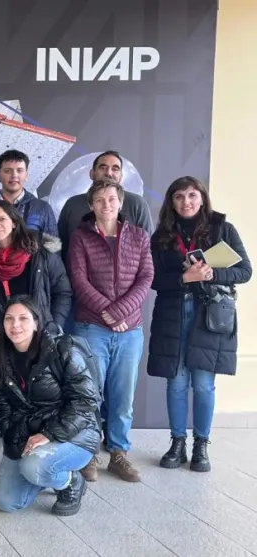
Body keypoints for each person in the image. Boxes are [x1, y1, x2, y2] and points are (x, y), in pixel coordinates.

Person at [149, 177, 251, 473]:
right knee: (177, 382)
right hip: (173, 313)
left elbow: (245, 271)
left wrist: (210, 275)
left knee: (204, 384)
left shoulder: (223, 229)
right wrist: (184, 278)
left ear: (203, 198)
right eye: (179, 197)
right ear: (171, 202)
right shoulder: (161, 237)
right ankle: (177, 442)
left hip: (210, 315)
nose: (186, 202)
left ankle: (201, 444)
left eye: (192, 195)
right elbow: (154, 280)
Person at [0, 200, 72, 446]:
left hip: (37, 331)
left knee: (37, 381)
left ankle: (41, 430)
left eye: (2, 219)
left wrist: (52, 324)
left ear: (14, 222)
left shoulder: (40, 254)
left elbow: (63, 291)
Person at [68, 179, 153, 483]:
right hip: (92, 326)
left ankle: (118, 453)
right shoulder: (80, 237)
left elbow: (146, 279)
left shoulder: (140, 237)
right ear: (91, 204)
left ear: (121, 202)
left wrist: (120, 312)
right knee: (89, 392)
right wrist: (108, 312)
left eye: (112, 199)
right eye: (100, 200)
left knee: (122, 394)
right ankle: (89, 452)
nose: (106, 205)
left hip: (130, 330)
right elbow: (78, 280)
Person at [0, 296, 100, 516]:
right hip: (28, 434)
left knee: (34, 467)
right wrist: (15, 444)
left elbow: (85, 402)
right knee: (6, 502)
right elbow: (3, 406)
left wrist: (48, 434)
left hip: (75, 433)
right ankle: (41, 473)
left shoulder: (62, 349)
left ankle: (71, 482)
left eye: (23, 318)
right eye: (9, 319)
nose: (16, 325)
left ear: (36, 322)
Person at [57, 150, 154, 264]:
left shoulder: (137, 204)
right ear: (91, 174)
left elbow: (148, 251)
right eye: (103, 167)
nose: (109, 173)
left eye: (115, 168)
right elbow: (61, 248)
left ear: (121, 176)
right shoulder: (72, 205)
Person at [0, 149, 58, 249]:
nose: (14, 175)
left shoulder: (42, 208)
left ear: (26, 175)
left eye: (19, 170)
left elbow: (54, 248)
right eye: (7, 171)